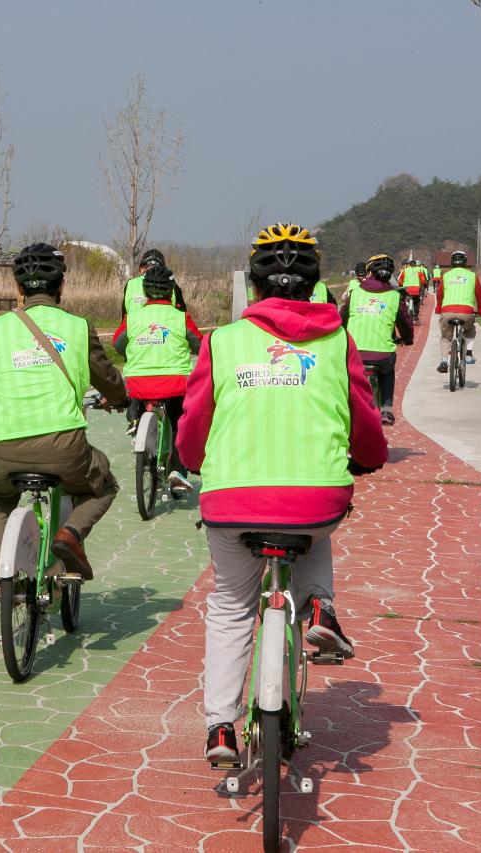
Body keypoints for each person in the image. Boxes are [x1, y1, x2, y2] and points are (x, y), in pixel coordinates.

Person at [177, 223, 388, 762]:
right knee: (316, 521)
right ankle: (318, 609)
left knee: (230, 606)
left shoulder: (221, 342)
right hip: (314, 501)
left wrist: (194, 463)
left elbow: (194, 424)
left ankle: (221, 728)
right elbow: (365, 421)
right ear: (316, 284)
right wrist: (369, 458)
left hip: (229, 504)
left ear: (253, 284)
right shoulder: (338, 341)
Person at [0, 243, 129, 600]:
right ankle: (70, 533)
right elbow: (106, 378)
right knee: (104, 483)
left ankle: (3, 581)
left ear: (19, 289)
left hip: (6, 448)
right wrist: (120, 399)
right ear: (61, 286)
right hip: (66, 450)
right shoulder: (77, 327)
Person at [113, 264, 203, 493]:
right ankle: (177, 471)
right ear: (171, 290)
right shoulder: (181, 317)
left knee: (140, 400)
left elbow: (117, 344)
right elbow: (200, 345)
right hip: (175, 384)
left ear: (144, 290)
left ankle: (136, 423)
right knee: (178, 422)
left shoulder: (133, 318)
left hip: (139, 384)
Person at [340, 254, 413, 425]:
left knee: (348, 378)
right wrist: (407, 339)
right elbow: (405, 324)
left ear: (369, 272)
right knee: (388, 370)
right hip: (382, 357)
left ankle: (346, 407)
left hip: (355, 355)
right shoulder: (395, 297)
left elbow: (341, 319)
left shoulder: (355, 292)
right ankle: (387, 409)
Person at [435, 250, 481, 372]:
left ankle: (444, 360)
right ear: (465, 262)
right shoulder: (472, 276)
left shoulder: (446, 276)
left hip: (447, 311)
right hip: (466, 312)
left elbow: (439, 294)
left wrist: (439, 308)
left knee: (446, 337)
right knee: (470, 330)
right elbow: (480, 295)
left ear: (452, 262)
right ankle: (468, 355)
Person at [121, 248, 186, 320]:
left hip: (136, 328)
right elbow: (182, 316)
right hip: (165, 328)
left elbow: (125, 315)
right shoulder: (172, 285)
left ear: (141, 269)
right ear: (163, 269)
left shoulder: (130, 284)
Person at [398, 258, 425, 322]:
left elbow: (400, 280)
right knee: (417, 303)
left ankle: (404, 312)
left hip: (406, 289)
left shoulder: (405, 270)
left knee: (402, 300)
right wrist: (421, 284)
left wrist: (401, 285)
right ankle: (416, 317)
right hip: (416, 289)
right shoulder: (418, 270)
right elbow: (422, 280)